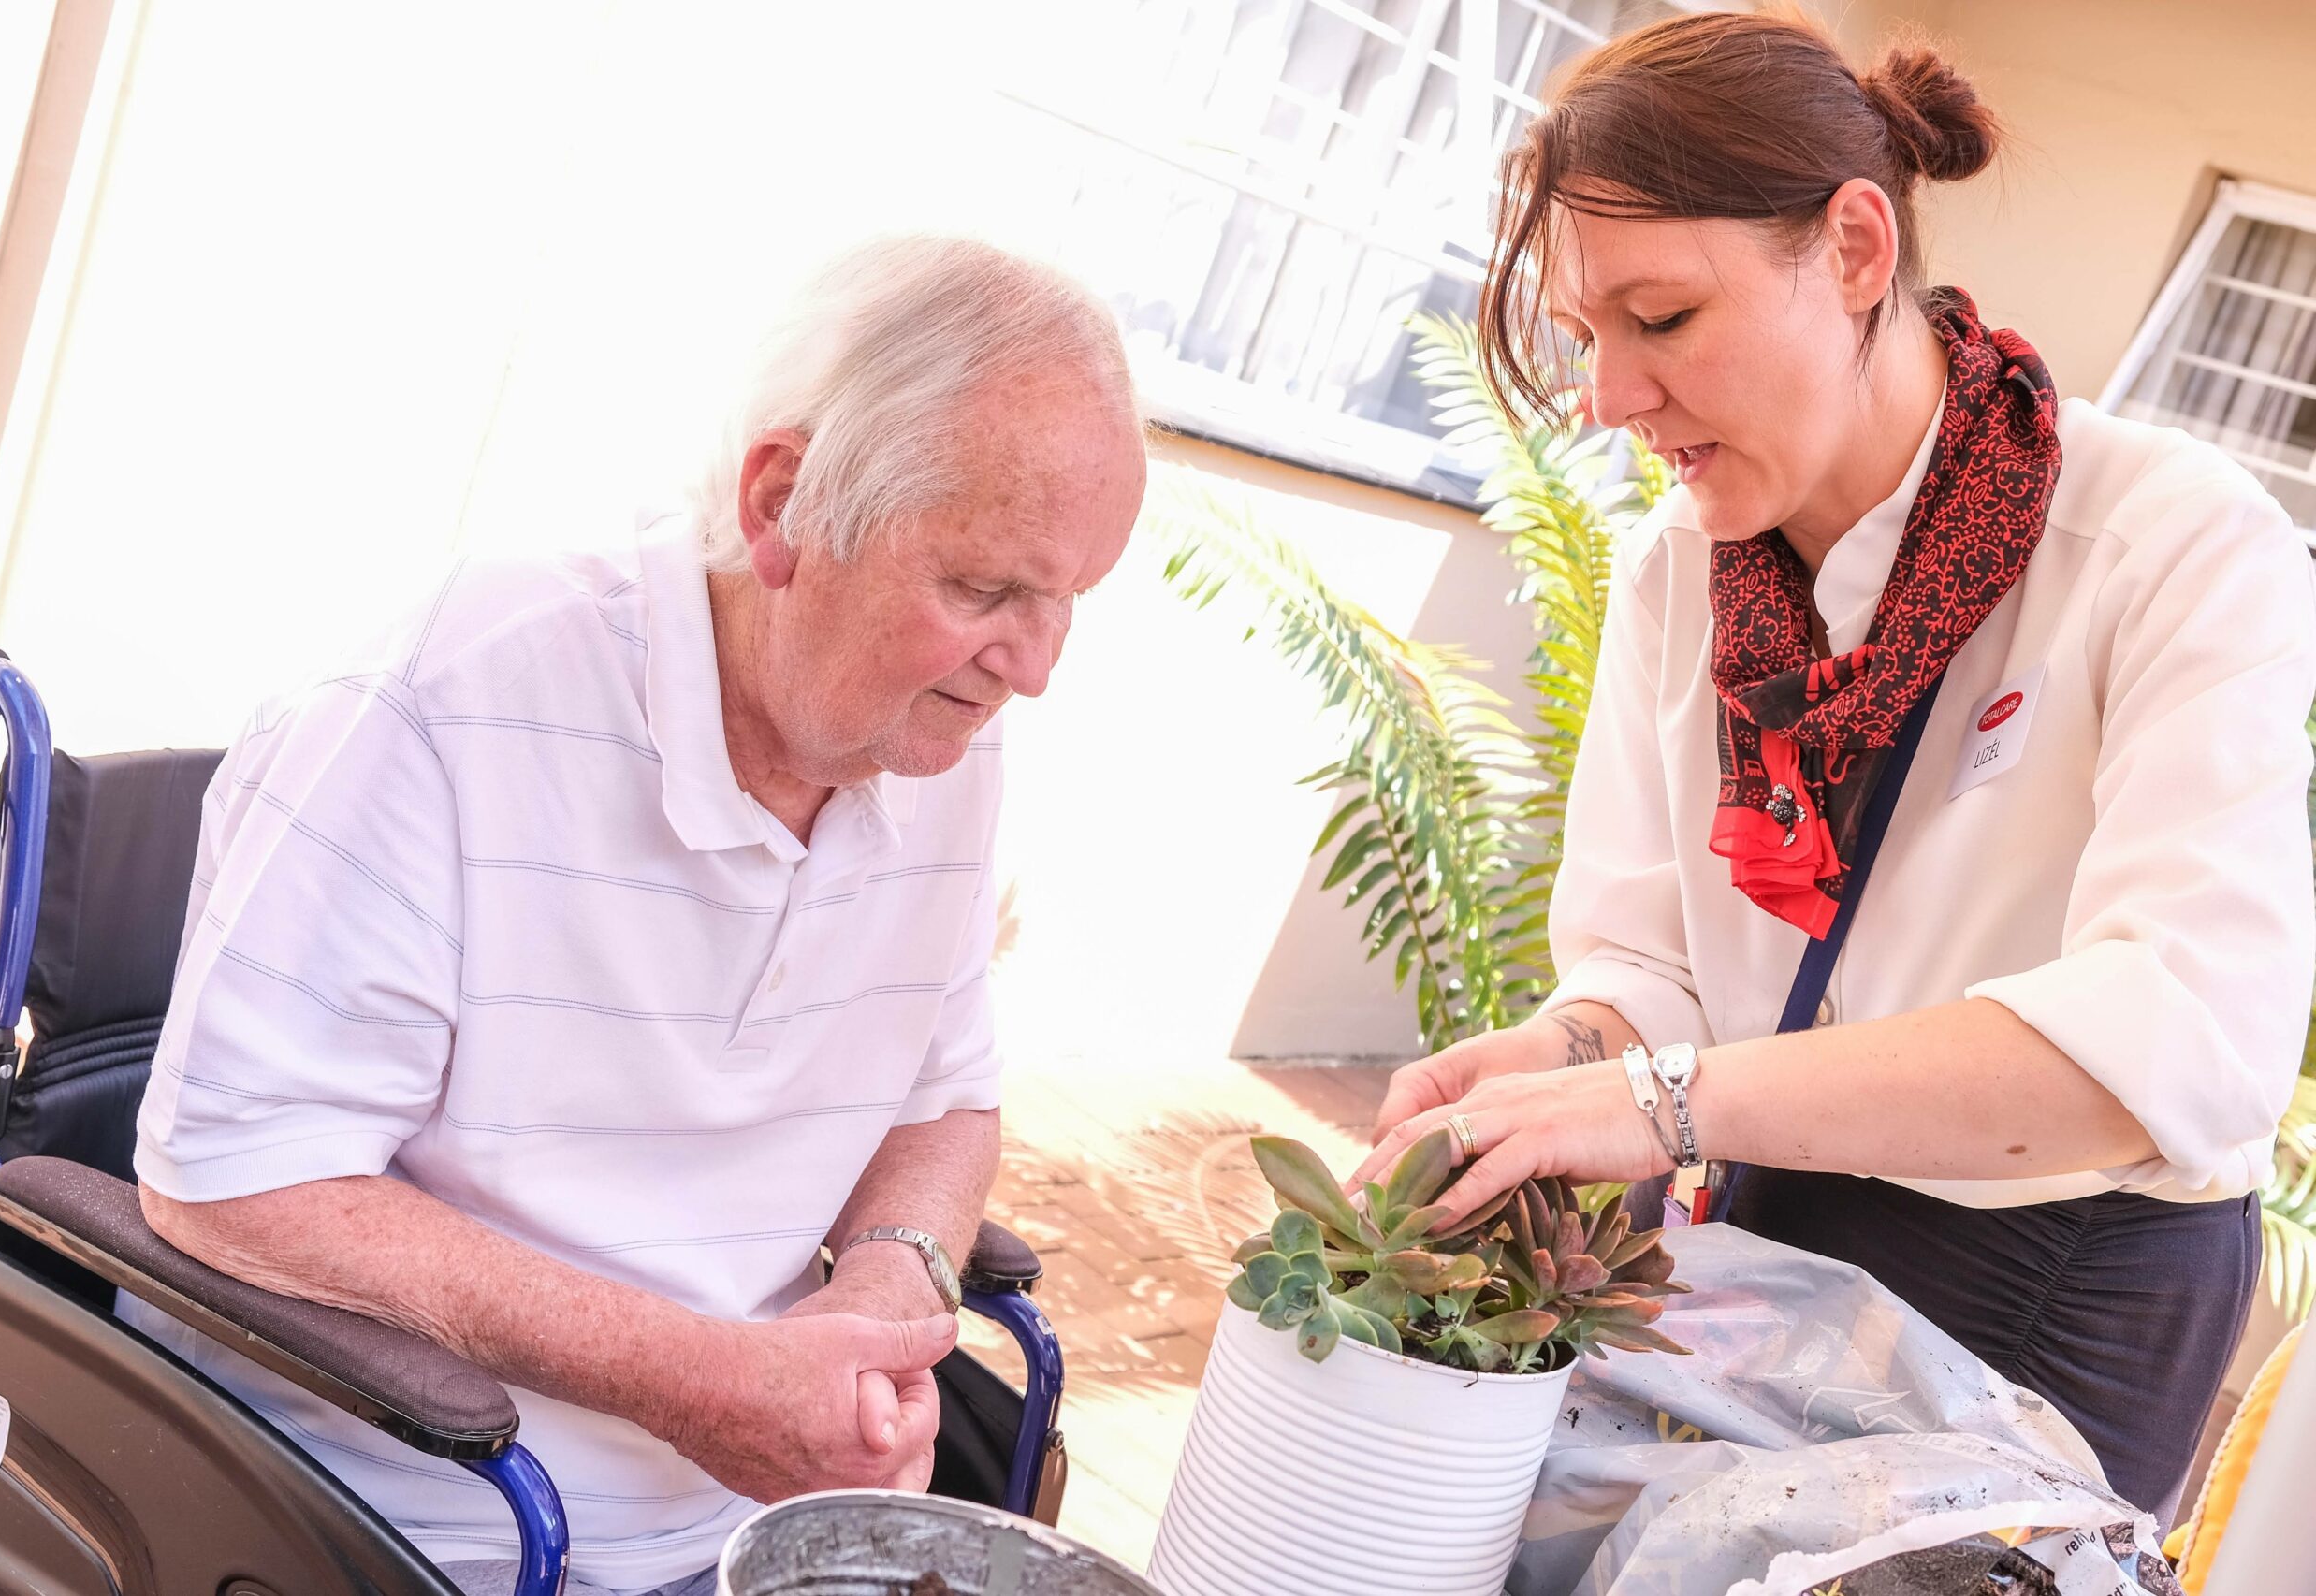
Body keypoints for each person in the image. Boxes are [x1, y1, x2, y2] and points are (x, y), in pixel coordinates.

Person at [1357, 9, 2316, 1520]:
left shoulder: (2171, 543)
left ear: (1858, 250)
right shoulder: (1682, 565)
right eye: (1583, 338)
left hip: (2062, 1288)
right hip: (1764, 1221)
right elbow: (1649, 963)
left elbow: (2177, 1044)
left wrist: (1664, 1101)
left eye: (1661, 318)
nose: (1609, 398)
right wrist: (1561, 1062)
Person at [127, 235, 1146, 1595]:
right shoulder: (454, 699)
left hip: (754, 1527)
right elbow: (239, 1182)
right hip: (422, 1520)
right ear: (786, 502)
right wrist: (697, 1377)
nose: (1033, 667)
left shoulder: (930, 738)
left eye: (1068, 599)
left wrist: (892, 1284)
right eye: (984, 589)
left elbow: (943, 1102)